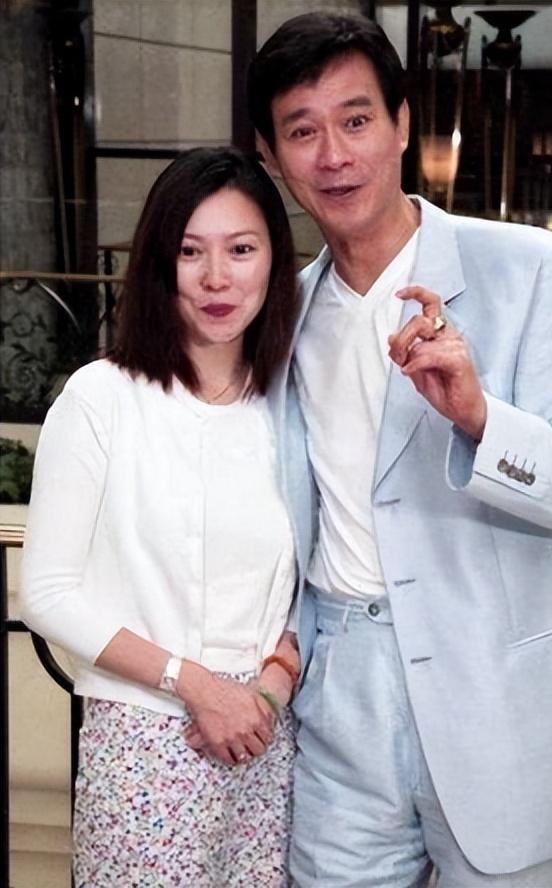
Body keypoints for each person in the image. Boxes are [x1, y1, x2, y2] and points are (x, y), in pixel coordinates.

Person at [248, 13, 552, 888]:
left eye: (356, 120)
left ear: (401, 124)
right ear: (271, 157)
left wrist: (481, 420)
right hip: (339, 695)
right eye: (302, 132)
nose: (334, 155)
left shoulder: (532, 269)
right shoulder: (279, 315)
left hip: (501, 697)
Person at [19, 146, 315, 887]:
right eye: (190, 251)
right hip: (146, 736)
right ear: (160, 263)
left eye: (241, 250)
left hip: (263, 738)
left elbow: (309, 579)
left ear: (274, 262)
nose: (217, 278)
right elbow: (46, 594)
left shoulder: (288, 407)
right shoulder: (103, 397)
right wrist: (196, 686)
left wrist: (268, 691)